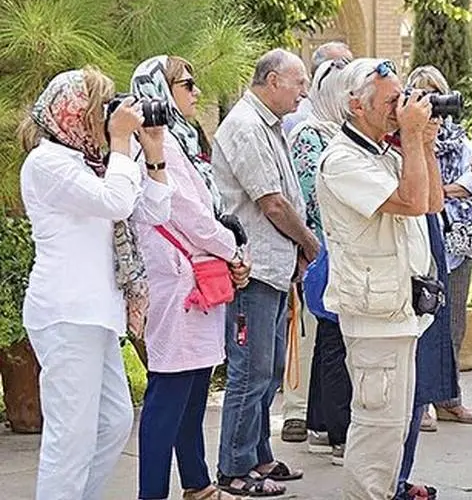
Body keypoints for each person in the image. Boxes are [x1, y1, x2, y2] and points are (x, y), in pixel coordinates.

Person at [19, 68, 172, 500]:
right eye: (101, 110)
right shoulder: (46, 163)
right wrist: (122, 142)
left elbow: (153, 214)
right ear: (75, 114)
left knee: (113, 421)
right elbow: (116, 201)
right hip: (67, 313)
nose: (109, 118)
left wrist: (154, 153)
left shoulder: (95, 164)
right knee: (70, 438)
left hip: (96, 315)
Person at [316, 58, 441, 500]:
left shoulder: (382, 153)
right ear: (356, 105)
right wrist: (409, 134)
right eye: (391, 102)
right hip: (374, 317)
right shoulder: (342, 160)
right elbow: (410, 201)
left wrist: (422, 143)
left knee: (392, 433)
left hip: (398, 311)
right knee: (375, 434)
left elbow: (430, 201)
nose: (399, 108)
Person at [129, 56, 252, 500]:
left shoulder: (176, 140)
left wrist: (226, 248)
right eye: (187, 83)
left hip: (196, 279)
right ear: (159, 90)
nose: (196, 92)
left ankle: (197, 483)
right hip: (177, 280)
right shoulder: (151, 145)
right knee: (170, 391)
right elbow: (190, 216)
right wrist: (233, 248)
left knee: (194, 387)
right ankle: (153, 493)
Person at [213, 49, 316, 494]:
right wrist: (311, 244)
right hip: (252, 271)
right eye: (298, 83)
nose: (304, 92)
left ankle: (258, 457)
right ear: (272, 81)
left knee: (269, 370)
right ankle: (235, 468)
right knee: (250, 372)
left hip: (273, 267)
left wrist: (297, 251)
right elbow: (271, 202)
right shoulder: (245, 126)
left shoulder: (266, 124)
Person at [282, 40, 353, 446]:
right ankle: (304, 415)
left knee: (331, 340)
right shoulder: (308, 133)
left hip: (342, 254)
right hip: (319, 253)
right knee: (314, 337)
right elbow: (310, 199)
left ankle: (323, 421)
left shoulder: (339, 132)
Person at [406, 65, 472, 428]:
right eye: (421, 94)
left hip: (459, 234)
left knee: (455, 319)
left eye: (435, 93)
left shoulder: (457, 136)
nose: (431, 103)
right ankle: (422, 401)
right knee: (423, 317)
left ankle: (450, 396)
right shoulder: (405, 135)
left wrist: (447, 189)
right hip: (422, 230)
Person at [394, 211, 459, 500]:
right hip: (390, 265)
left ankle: (398, 477)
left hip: (421, 247)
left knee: (420, 376)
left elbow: (431, 198)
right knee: (391, 390)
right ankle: (390, 480)